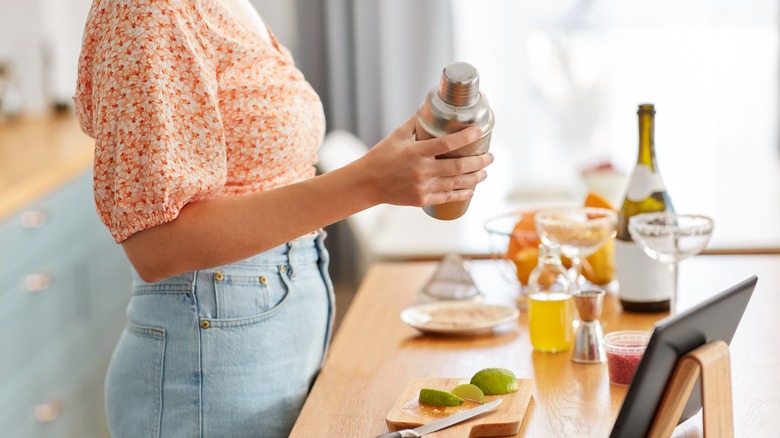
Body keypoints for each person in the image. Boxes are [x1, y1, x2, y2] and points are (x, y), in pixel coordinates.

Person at [74, 0, 493, 436]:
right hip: (207, 370)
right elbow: (156, 246)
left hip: (266, 345)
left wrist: (384, 170)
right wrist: (369, 182)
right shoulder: (148, 10)